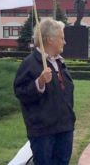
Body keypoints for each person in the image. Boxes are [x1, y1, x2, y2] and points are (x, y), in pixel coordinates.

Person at [14, 18, 76, 165]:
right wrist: (39, 83)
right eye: (62, 38)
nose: (64, 42)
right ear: (49, 40)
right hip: (43, 132)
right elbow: (20, 92)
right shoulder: (30, 63)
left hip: (64, 128)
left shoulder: (60, 62)